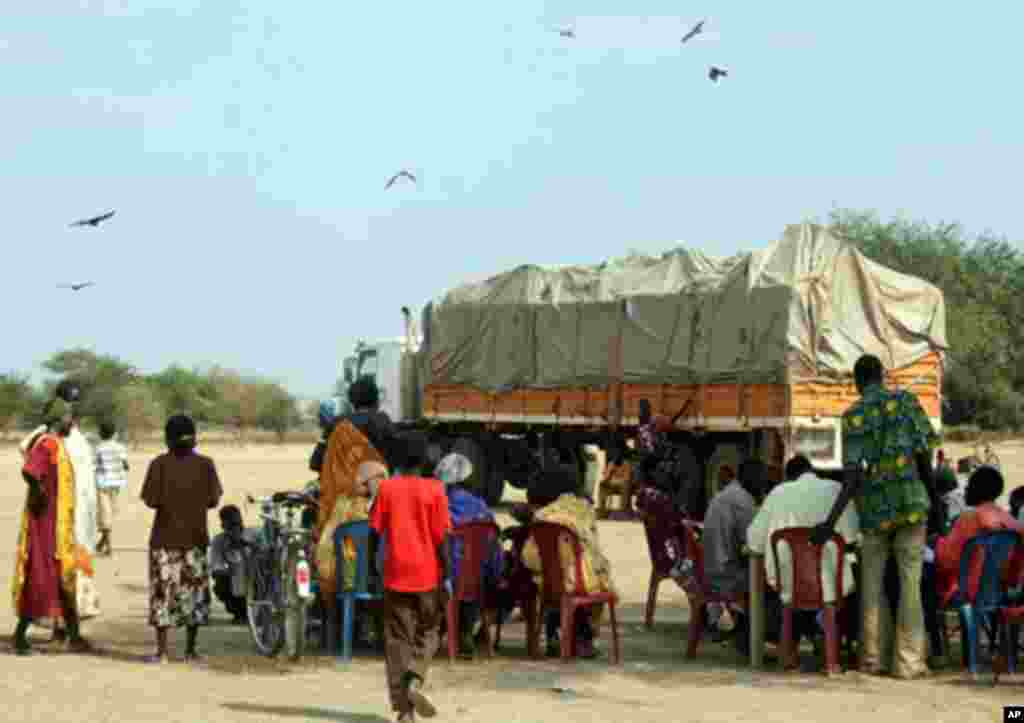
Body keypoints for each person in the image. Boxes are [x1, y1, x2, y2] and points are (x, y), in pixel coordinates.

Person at [811, 353, 940, 679]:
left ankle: (873, 660)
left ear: (856, 382)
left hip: (873, 512)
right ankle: (909, 663)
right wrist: (935, 501)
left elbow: (851, 479)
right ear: (882, 375)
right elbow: (924, 456)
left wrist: (829, 522)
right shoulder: (907, 402)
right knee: (910, 584)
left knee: (872, 585)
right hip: (911, 504)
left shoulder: (852, 416)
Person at [746, 455, 860, 667]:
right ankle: (834, 647)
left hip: (789, 586)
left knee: (782, 591)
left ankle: (785, 651)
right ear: (812, 471)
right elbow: (854, 536)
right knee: (849, 584)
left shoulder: (778, 493)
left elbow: (753, 541)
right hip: (832, 587)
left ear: (789, 477)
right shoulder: (836, 490)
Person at [369, 432, 450, 722]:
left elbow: (373, 533)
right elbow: (442, 539)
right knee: (430, 630)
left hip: (395, 575)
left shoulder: (387, 489)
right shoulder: (436, 490)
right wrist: (448, 574)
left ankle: (404, 712)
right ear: (425, 458)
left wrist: (370, 570)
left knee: (397, 639)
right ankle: (416, 676)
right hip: (427, 576)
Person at [11, 397, 91, 655]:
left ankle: (74, 635)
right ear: (58, 420)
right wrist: (39, 491)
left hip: (60, 526)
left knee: (65, 578)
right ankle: (20, 635)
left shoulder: (57, 444)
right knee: (40, 578)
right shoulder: (47, 444)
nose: (72, 422)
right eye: (68, 418)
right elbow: (30, 471)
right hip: (44, 525)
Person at [141, 414, 223, 663]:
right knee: (194, 594)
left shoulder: (158, 465)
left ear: (167, 439)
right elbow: (213, 500)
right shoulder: (206, 464)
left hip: (164, 540)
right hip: (195, 540)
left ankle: (163, 652)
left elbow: (150, 500)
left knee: (162, 594)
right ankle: (190, 650)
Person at [521, 464, 617, 659]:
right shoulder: (582, 514)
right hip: (581, 583)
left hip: (551, 585)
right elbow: (594, 555)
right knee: (588, 580)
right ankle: (582, 639)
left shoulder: (541, 519)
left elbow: (529, 559)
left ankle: (555, 637)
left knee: (547, 580)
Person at [703, 458, 778, 654]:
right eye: (761, 480)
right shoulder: (742, 501)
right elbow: (755, 541)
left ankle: (746, 632)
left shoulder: (731, 494)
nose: (764, 485)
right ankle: (753, 637)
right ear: (750, 479)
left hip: (712, 569)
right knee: (775, 580)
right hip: (725, 575)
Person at [435, 452, 504, 659]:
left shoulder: (439, 505)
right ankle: (465, 631)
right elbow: (494, 551)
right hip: (477, 581)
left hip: (443, 579)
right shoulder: (482, 508)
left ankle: (443, 630)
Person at [317, 460, 387, 648]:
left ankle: (332, 637)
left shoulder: (344, 504)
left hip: (349, 578)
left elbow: (327, 541)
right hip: (383, 579)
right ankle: (380, 636)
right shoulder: (390, 506)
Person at [935, 466, 1024, 606]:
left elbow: (946, 562)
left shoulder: (967, 519)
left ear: (977, 490)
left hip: (965, 593)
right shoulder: (1015, 525)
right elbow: (1015, 574)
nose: (965, 490)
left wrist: (938, 542)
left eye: (969, 486)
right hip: (1000, 594)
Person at [209, 505, 259, 624]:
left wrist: (247, 544)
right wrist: (230, 571)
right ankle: (239, 613)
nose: (235, 528)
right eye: (231, 525)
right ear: (223, 526)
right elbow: (216, 567)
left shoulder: (254, 534)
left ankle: (258, 612)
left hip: (255, 578)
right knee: (221, 583)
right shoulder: (219, 541)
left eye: (237, 524)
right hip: (235, 579)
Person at [94, 420, 129, 557]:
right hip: (116, 484)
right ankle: (102, 543)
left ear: (100, 434)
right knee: (109, 513)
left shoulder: (99, 448)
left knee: (105, 513)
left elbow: (95, 464)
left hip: (102, 483)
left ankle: (108, 546)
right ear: (115, 434)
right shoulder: (120, 447)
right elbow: (125, 464)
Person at [596, 444, 635, 519]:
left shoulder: (626, 463)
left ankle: (623, 512)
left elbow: (627, 479)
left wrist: (614, 480)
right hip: (613, 485)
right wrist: (610, 470)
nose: (616, 457)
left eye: (618, 455)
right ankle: (602, 511)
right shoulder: (611, 463)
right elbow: (606, 478)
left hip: (624, 486)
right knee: (602, 485)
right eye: (615, 455)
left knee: (625, 485)